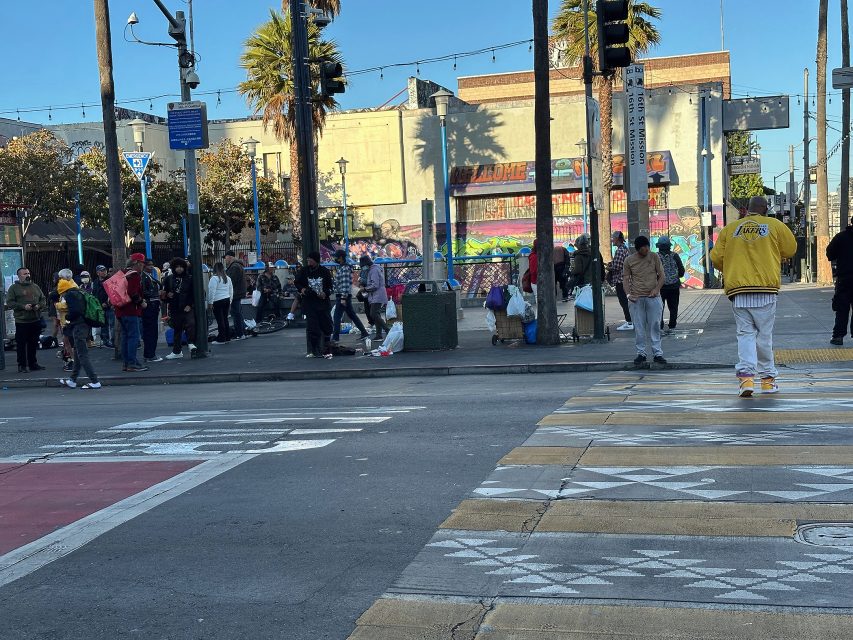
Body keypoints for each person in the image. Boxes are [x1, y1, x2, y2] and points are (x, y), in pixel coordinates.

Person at [711, 196, 797, 396]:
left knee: (745, 334)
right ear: (765, 209)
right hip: (765, 290)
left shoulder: (730, 230)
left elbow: (716, 258)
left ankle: (746, 379)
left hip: (739, 291)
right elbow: (790, 249)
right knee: (764, 336)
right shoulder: (774, 225)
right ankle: (767, 381)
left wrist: (732, 266)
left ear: (747, 209)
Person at [623, 236, 666, 366]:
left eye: (647, 246)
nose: (646, 249)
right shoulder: (629, 260)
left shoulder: (654, 257)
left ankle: (657, 353)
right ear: (637, 248)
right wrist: (628, 295)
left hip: (653, 297)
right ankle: (641, 353)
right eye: (643, 247)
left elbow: (662, 275)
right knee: (639, 327)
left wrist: (657, 289)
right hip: (636, 299)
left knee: (655, 325)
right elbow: (625, 278)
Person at [56, 270, 100, 389]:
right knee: (78, 353)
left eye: (60, 279)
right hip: (83, 325)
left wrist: (68, 318)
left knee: (82, 354)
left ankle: (94, 381)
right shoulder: (77, 291)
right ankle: (72, 380)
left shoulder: (70, 294)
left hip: (78, 326)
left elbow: (75, 311)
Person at [4, 267, 47, 374]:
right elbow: (10, 302)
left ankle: (33, 364)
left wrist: (38, 306)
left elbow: (43, 299)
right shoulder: (14, 288)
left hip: (35, 319)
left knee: (33, 343)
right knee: (21, 345)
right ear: (19, 276)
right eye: (24, 274)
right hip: (22, 321)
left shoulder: (35, 286)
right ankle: (22, 365)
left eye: (28, 273)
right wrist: (23, 306)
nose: (27, 275)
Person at [114, 253, 149, 372]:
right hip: (131, 310)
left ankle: (126, 363)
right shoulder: (134, 276)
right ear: (137, 263)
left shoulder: (122, 273)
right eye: (142, 263)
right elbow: (133, 293)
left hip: (120, 310)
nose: (143, 266)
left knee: (125, 337)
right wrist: (141, 302)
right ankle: (132, 363)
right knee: (133, 337)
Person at [295, 251, 334, 358]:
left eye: (310, 259)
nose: (308, 261)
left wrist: (325, 293)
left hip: (322, 303)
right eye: (307, 260)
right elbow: (297, 282)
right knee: (313, 328)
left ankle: (326, 347)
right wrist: (302, 289)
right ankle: (314, 349)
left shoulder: (324, 271)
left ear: (315, 260)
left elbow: (330, 286)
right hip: (310, 303)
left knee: (326, 326)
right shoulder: (304, 271)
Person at [331, 249, 370, 343]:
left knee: (337, 317)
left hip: (342, 295)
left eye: (336, 256)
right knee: (352, 315)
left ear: (340, 258)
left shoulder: (344, 268)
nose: (335, 258)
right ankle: (364, 332)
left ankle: (335, 338)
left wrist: (343, 298)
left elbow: (345, 283)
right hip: (344, 295)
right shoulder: (344, 267)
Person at [161, 257, 196, 359]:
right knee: (177, 329)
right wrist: (167, 295)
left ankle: (189, 343)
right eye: (177, 267)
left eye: (181, 267)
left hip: (186, 306)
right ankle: (178, 350)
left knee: (190, 324)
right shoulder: (168, 279)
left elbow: (193, 293)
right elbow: (164, 294)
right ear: (173, 268)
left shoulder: (189, 279)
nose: (179, 269)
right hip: (175, 307)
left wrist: (190, 305)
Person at [827, 216, 853, 345]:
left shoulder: (841, 237)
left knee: (841, 308)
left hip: (844, 278)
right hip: (845, 277)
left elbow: (830, 253)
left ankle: (838, 336)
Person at [656, 236, 685, 332]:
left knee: (660, 308)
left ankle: (660, 326)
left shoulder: (656, 256)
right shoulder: (675, 255)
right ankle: (672, 326)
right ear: (669, 246)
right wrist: (676, 276)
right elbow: (681, 271)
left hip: (660, 287)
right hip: (674, 286)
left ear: (658, 246)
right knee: (673, 307)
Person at [360, 255, 389, 341]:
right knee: (376, 314)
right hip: (375, 296)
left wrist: (365, 289)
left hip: (377, 295)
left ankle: (387, 330)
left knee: (373, 314)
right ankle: (379, 335)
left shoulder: (374, 270)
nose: (362, 268)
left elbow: (375, 285)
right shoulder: (374, 269)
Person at [609, 231, 633, 331]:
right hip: (627, 279)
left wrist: (609, 267)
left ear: (617, 239)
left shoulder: (619, 250)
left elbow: (617, 266)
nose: (612, 240)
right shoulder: (625, 249)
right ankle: (631, 321)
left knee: (623, 301)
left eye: (613, 238)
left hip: (620, 280)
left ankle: (629, 322)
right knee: (627, 301)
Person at [141, 260, 163, 363]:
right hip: (150, 306)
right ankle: (150, 355)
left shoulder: (148, 276)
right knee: (151, 331)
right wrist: (156, 293)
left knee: (151, 331)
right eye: (148, 265)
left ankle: (150, 354)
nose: (151, 267)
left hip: (152, 306)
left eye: (152, 265)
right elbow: (143, 291)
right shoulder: (144, 277)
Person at [207, 262, 233, 344]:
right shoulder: (227, 278)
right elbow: (231, 290)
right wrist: (230, 300)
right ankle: (227, 337)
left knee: (220, 320)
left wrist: (210, 303)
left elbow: (211, 291)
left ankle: (221, 338)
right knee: (225, 319)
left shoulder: (214, 278)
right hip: (227, 299)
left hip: (217, 301)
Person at [225, 251, 247, 340]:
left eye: (226, 257)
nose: (225, 259)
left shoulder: (234, 267)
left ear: (230, 257)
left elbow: (231, 281)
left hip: (235, 293)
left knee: (236, 313)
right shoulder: (238, 265)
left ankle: (240, 333)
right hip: (238, 292)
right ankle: (242, 331)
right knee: (238, 312)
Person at [91, 265, 114, 347]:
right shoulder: (95, 282)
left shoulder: (109, 280)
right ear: (97, 273)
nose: (104, 272)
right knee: (103, 324)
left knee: (112, 324)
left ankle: (114, 341)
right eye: (102, 270)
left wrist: (107, 303)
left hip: (109, 306)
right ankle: (105, 340)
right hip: (100, 306)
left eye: (105, 270)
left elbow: (112, 293)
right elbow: (94, 294)